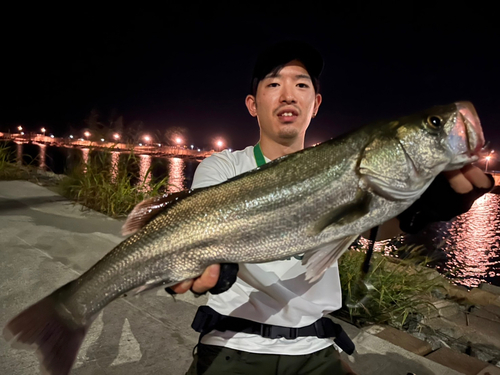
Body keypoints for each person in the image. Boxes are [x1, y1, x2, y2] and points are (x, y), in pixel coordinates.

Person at [168, 41, 493, 375]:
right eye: (274, 84)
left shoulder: (343, 175)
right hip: (231, 344)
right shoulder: (222, 168)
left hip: (317, 349)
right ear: (252, 104)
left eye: (301, 84)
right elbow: (199, 227)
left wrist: (421, 210)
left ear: (316, 104)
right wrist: (207, 262)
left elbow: (372, 226)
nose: (288, 95)